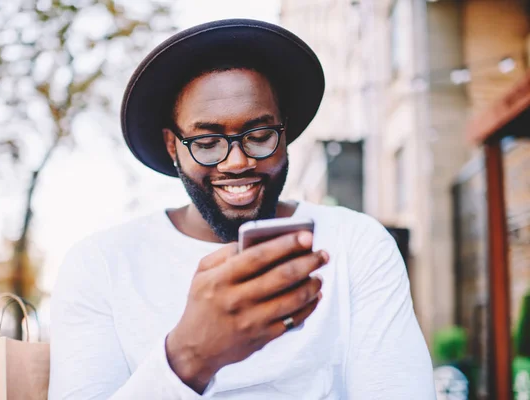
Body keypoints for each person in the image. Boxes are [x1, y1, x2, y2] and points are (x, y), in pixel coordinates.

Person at [48, 19, 436, 399]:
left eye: (260, 134)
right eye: (207, 141)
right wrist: (191, 355)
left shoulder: (357, 243)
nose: (236, 163)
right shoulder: (99, 264)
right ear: (172, 146)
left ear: (285, 133)